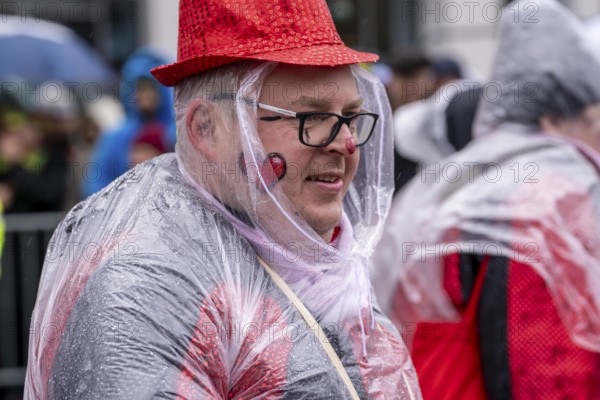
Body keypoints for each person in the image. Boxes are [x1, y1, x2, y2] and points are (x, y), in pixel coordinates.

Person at [24, 0, 421, 398]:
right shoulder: (148, 286)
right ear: (206, 127)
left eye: (350, 117)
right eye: (311, 118)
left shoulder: (313, 257)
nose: (346, 143)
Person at [372, 1, 600, 399]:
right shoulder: (542, 205)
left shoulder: (471, 191)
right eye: (592, 118)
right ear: (551, 120)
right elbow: (541, 370)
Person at [82, 47, 176, 197]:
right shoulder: (115, 138)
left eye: (149, 88)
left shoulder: (177, 133)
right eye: (138, 89)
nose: (143, 96)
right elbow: (96, 186)